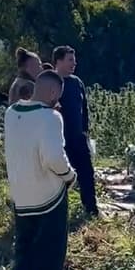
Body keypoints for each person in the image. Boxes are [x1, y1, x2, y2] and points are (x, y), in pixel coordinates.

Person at [2, 70, 76, 270]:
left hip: (20, 192)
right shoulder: (51, 117)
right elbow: (54, 156)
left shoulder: (11, 113)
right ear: (53, 92)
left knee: (25, 242)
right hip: (48, 193)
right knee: (52, 246)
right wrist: (69, 176)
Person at [53, 45, 98, 218]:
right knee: (60, 177)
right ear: (59, 61)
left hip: (78, 137)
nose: (74, 63)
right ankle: (58, 213)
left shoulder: (77, 82)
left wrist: (85, 131)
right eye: (70, 59)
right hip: (59, 139)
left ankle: (91, 209)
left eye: (74, 59)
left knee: (87, 173)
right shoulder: (52, 82)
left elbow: (84, 109)